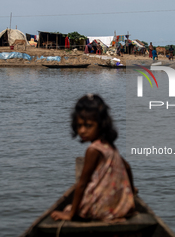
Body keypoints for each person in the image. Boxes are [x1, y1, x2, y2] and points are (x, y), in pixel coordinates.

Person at [51, 94, 136, 222]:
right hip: (121, 207)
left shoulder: (93, 150)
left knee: (68, 208)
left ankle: (81, 213)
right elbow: (127, 167)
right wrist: (131, 193)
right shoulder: (109, 146)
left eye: (88, 126)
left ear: (101, 125)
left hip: (100, 208)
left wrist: (71, 214)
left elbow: (82, 184)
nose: (83, 131)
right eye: (79, 126)